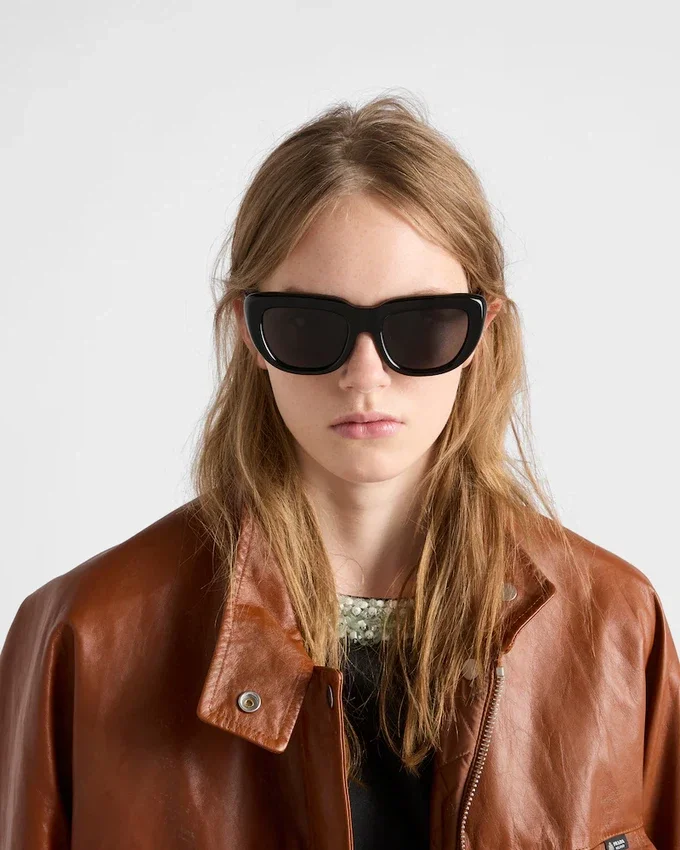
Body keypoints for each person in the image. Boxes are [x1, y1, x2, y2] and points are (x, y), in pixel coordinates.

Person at [1, 93, 678, 850]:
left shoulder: (616, 627)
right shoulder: (88, 636)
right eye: (308, 325)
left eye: (421, 325)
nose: (365, 375)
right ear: (248, 332)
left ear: (481, 332)